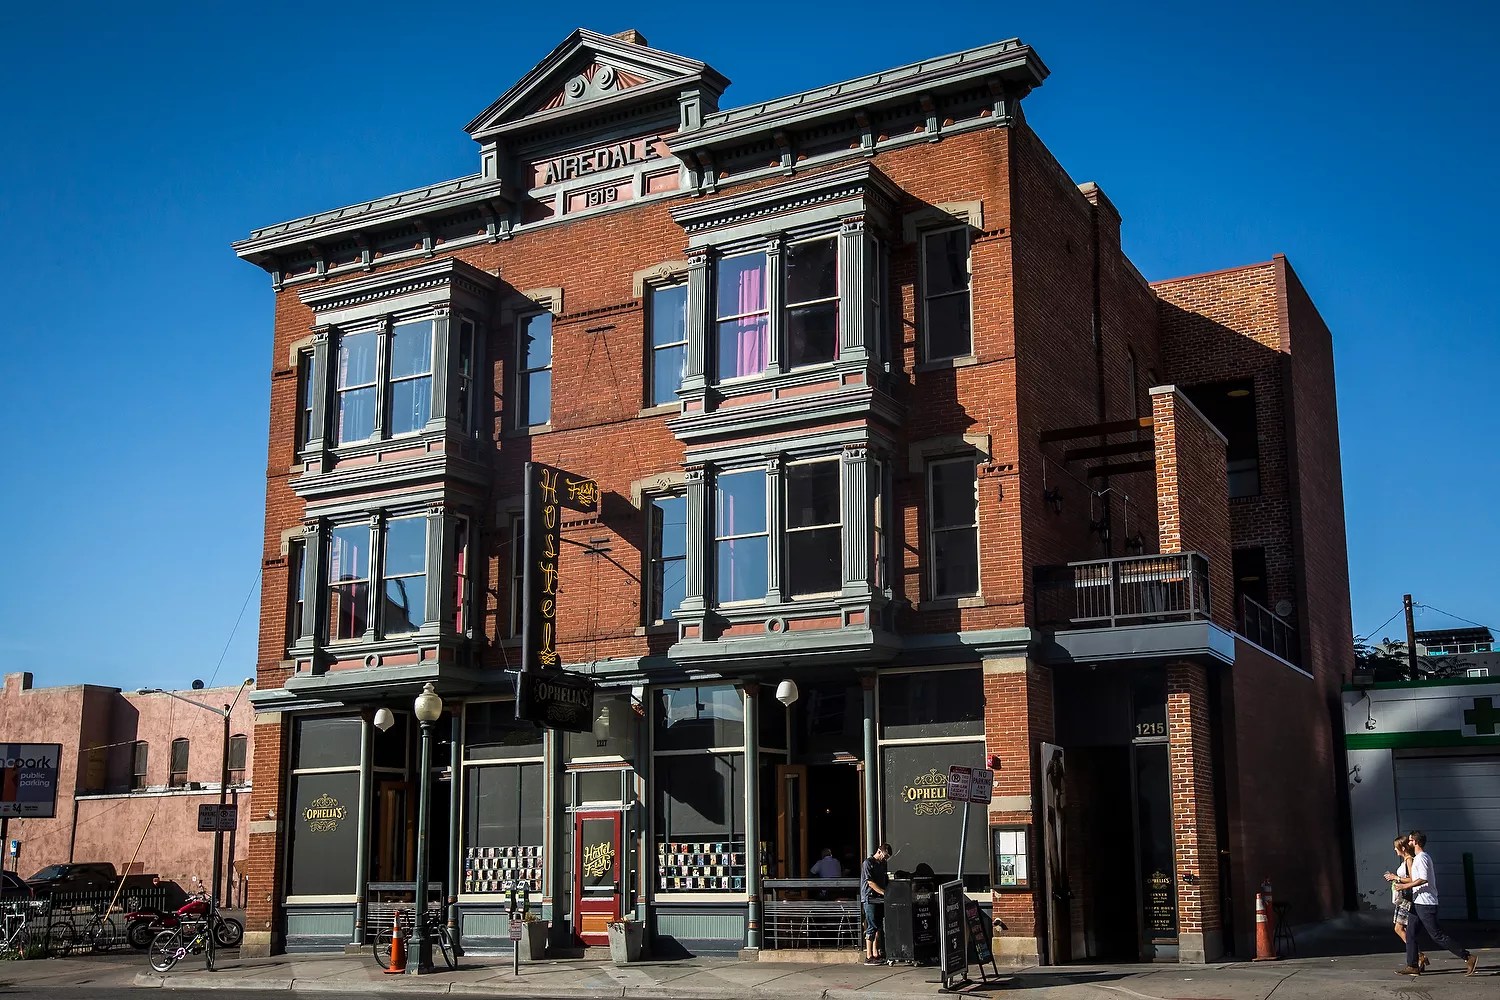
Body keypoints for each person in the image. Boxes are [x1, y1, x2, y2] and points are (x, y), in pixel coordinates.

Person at [1387, 830, 1478, 976]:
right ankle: (1412, 965)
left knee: (1437, 935)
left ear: (1415, 842)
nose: (1408, 843)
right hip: (1417, 903)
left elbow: (1423, 879)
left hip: (1426, 903)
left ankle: (1468, 957)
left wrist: (1404, 885)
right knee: (1410, 934)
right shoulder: (1418, 858)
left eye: (1410, 841)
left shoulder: (1422, 858)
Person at [1388, 837, 1425, 971]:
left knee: (1401, 929)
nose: (1394, 850)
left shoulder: (1409, 860)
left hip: (1407, 898)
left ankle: (1418, 956)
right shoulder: (1406, 860)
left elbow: (1413, 879)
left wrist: (1396, 878)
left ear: (1402, 848)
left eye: (1396, 847)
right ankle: (1418, 956)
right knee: (1402, 929)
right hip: (1403, 897)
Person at [860, 843, 891, 964]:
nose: (885, 858)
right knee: (871, 925)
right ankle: (868, 956)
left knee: (878, 925)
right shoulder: (868, 863)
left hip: (879, 899)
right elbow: (870, 882)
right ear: (879, 851)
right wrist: (884, 892)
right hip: (869, 898)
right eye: (885, 855)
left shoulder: (881, 864)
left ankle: (875, 953)